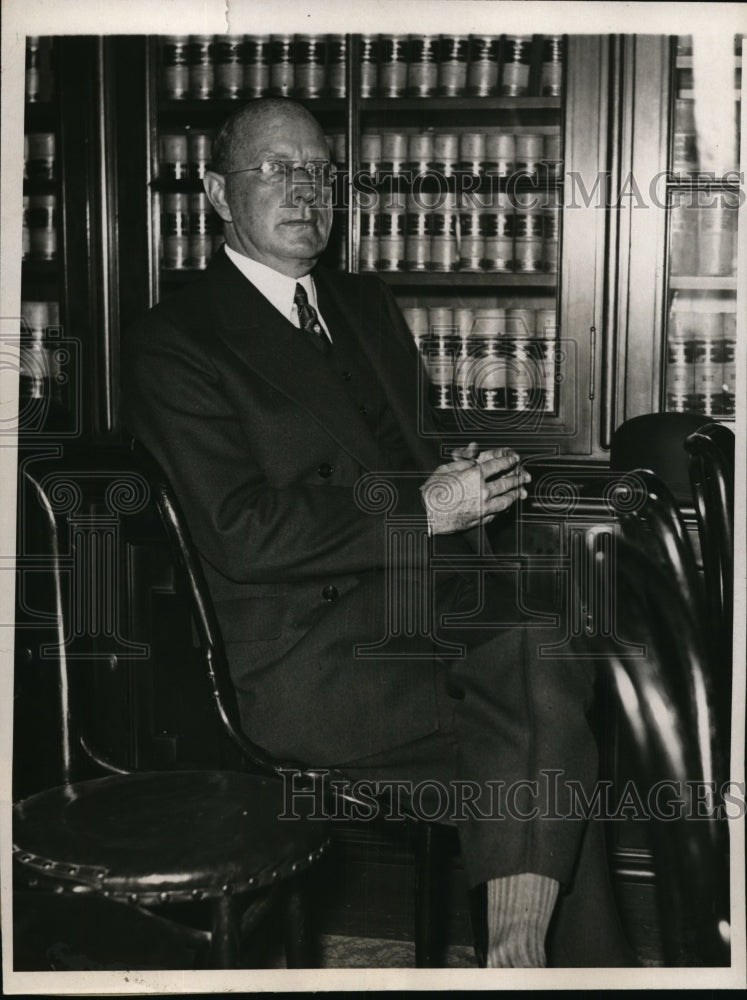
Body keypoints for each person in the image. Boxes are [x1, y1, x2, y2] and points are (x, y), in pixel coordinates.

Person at [121, 98, 633, 968]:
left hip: (419, 611)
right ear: (214, 193)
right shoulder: (175, 339)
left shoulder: (361, 302)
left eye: (319, 171)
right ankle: (528, 954)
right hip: (305, 656)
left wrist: (461, 472)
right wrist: (426, 508)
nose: (304, 190)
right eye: (274, 169)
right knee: (544, 724)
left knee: (544, 696)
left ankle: (518, 952)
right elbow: (241, 532)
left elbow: (408, 454)